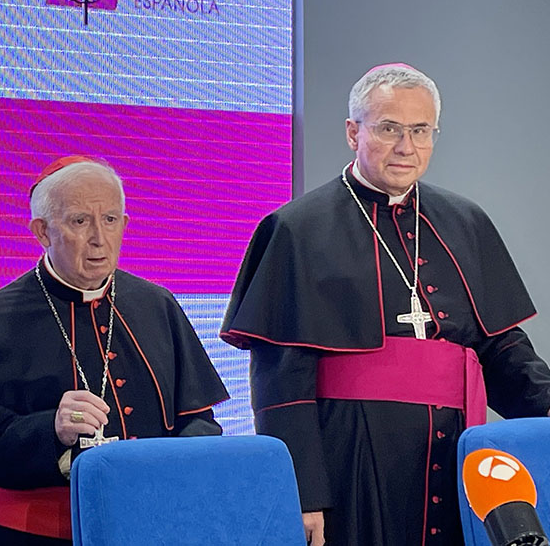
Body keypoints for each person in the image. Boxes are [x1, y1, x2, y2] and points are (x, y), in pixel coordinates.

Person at [221, 63, 550, 545]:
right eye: (389, 128)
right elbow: (281, 377)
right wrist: (303, 490)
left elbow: (501, 349)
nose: (406, 146)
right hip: (350, 456)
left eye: (420, 130)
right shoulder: (298, 228)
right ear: (353, 132)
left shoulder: (465, 220)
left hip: (453, 450)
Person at [0, 156, 229, 545]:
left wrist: (183, 470)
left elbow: (198, 417)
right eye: (80, 221)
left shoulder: (157, 305)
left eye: (111, 220)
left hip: (150, 528)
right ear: (42, 232)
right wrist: (50, 430)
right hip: (32, 536)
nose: (99, 238)